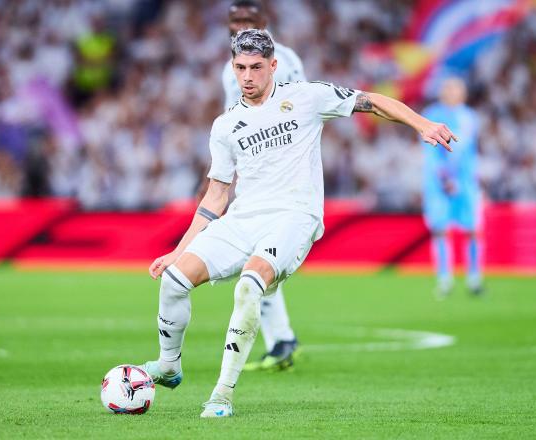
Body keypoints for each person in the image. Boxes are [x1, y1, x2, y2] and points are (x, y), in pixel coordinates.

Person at [141, 29, 456, 418]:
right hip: (244, 217)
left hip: (294, 216)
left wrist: (421, 124)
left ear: (273, 66)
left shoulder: (305, 97)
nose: (248, 76)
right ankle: (169, 366)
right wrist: (179, 250)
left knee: (250, 284)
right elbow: (217, 195)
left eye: (256, 67)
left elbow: (371, 100)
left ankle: (222, 394)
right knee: (174, 281)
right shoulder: (225, 125)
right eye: (240, 68)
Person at [222, 0, 306, 372]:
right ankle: (282, 340)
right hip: (257, 170)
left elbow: (293, 113)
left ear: (264, 23)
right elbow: (233, 124)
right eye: (235, 19)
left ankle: (281, 340)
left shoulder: (277, 63)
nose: (240, 25)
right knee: (259, 257)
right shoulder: (236, 66)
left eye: (248, 20)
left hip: (276, 173)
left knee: (257, 258)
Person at [421, 77, 483, 297]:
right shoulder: (431, 114)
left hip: (466, 182)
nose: (452, 92)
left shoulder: (470, 117)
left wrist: (460, 178)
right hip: (438, 184)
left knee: (473, 230)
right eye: (448, 88)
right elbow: (430, 152)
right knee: (440, 230)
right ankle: (444, 279)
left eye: (457, 89)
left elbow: (469, 151)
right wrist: (444, 177)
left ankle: (474, 279)